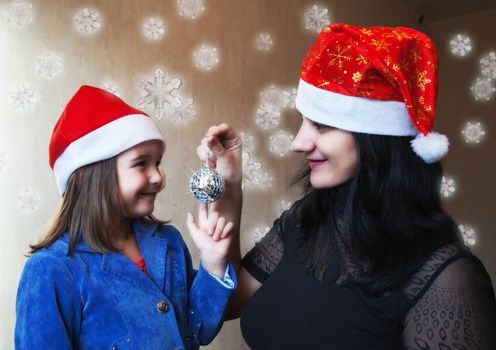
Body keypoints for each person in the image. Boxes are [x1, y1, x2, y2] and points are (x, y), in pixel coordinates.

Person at [198, 24, 496, 349]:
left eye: (322, 125)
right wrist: (231, 182)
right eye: (303, 120)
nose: (298, 142)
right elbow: (228, 303)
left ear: (376, 141)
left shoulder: (448, 279)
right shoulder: (304, 221)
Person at [15, 85, 236, 349]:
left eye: (158, 163)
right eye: (141, 163)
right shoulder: (51, 270)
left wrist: (212, 266)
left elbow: (199, 330)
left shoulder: (168, 241)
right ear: (88, 175)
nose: (158, 177)